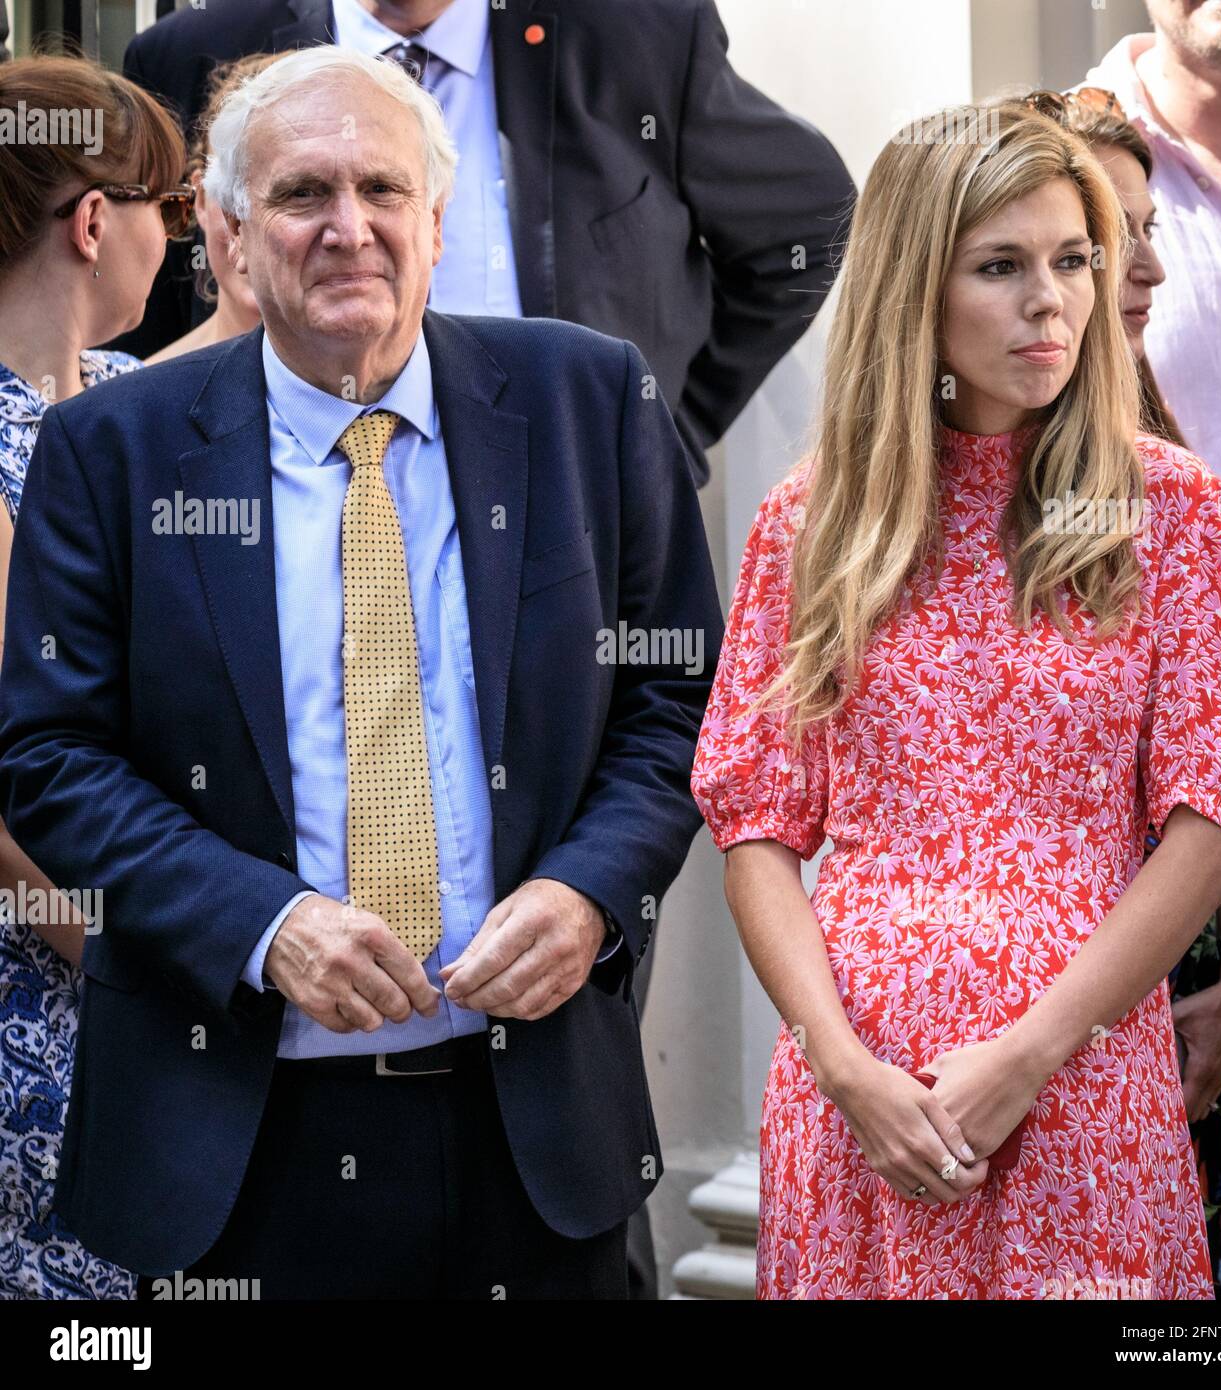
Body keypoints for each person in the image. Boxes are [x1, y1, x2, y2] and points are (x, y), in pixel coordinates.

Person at [0, 44, 722, 1300]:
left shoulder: (585, 399)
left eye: (383, 192)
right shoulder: (110, 450)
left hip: (534, 1133)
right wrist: (264, 925)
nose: (351, 230)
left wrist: (591, 891)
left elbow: (677, 698)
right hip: (233, 1148)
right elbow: (49, 759)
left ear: (436, 221)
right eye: (301, 196)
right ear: (223, 237)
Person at [690, 98, 1221, 1300]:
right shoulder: (811, 526)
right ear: (916, 287)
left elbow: (1212, 808)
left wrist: (1029, 1052)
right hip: (861, 1104)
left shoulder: (1164, 512)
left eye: (1073, 260)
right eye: (1001, 266)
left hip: (1080, 1085)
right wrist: (841, 1068)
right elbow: (754, 821)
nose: (1052, 300)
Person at [116, 0, 856, 491]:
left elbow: (805, 218)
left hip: (565, 502)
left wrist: (661, 421)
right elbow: (146, 304)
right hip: (281, 507)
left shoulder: (632, 29)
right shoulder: (197, 54)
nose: (351, 228)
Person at [1084, 0, 1221, 1301]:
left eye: (1134, 242)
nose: (1133, 269)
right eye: (1118, 244)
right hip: (1148, 898)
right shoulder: (1060, 163)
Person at [0, 54, 188, 1299]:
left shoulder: (130, 403)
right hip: (56, 987)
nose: (176, 246)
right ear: (90, 223)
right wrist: (135, 980)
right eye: (166, 213)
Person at [146, 54, 279, 365]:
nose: (256, 225)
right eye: (233, 192)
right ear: (201, 200)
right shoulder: (137, 397)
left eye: (299, 194)